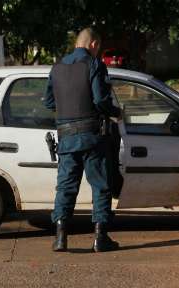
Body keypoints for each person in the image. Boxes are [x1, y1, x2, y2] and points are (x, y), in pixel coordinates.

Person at [43, 28, 121, 253]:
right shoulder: (94, 65)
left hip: (66, 139)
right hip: (93, 138)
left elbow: (49, 102)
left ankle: (60, 238)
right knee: (101, 186)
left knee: (66, 187)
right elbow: (100, 101)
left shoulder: (56, 68)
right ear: (94, 44)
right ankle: (100, 238)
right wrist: (117, 112)